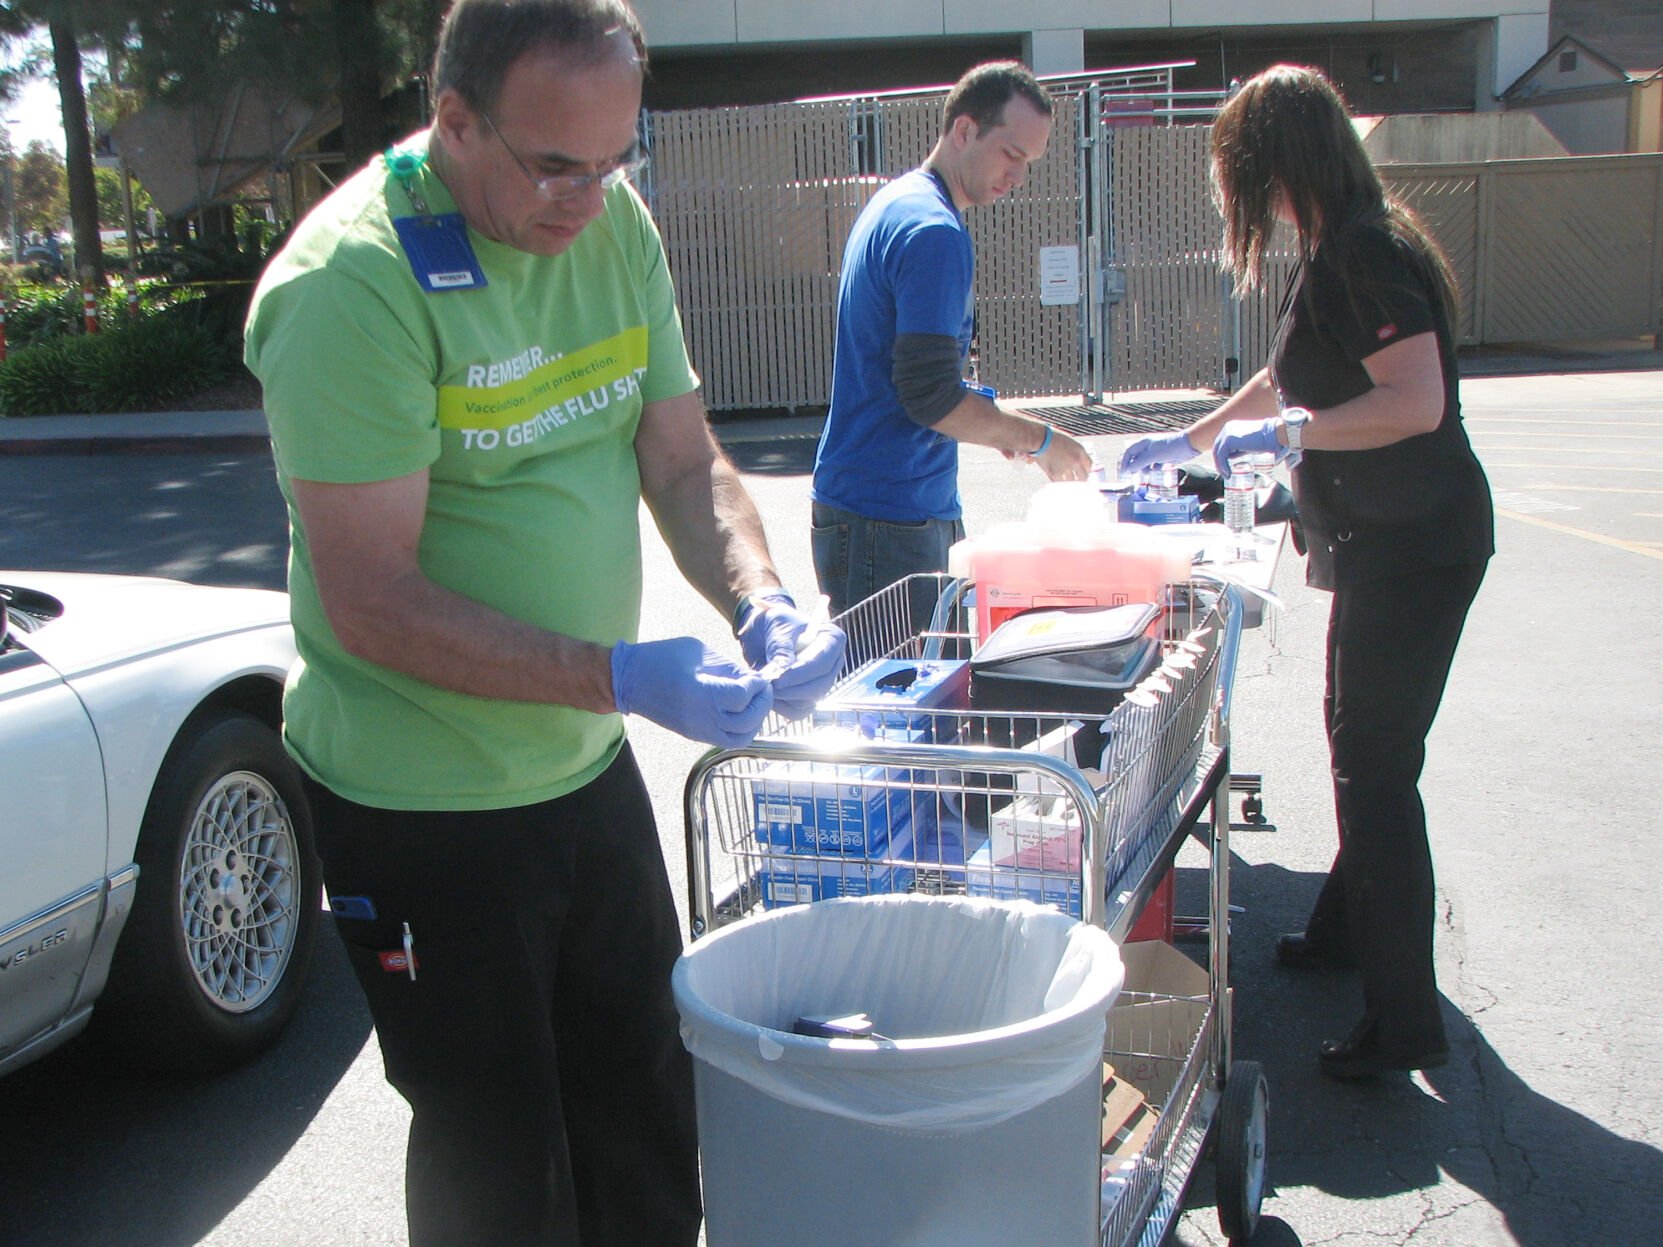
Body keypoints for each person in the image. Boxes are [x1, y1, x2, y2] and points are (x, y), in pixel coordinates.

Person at [243, 2, 844, 1242]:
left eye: (616, 159)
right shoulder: (350, 281)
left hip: (580, 770)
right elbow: (370, 602)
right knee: (500, 1160)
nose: (588, 198)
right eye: (555, 164)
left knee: (643, 1111)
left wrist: (760, 597)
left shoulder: (610, 227)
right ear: (452, 121)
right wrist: (614, 670)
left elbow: (681, 463)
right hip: (423, 807)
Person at [1120, 65, 1493, 1081]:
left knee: (1375, 767)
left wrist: (1293, 432)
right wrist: (1195, 437)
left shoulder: (1364, 248)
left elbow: (1412, 402)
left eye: (1240, 177)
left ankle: (1403, 1020)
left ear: (1277, 165)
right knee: (1357, 743)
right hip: (1391, 543)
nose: (1242, 200)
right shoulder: (1341, 241)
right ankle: (1342, 929)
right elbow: (1288, 370)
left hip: (1418, 548)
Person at [811, 60, 1095, 620]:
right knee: (906, 704)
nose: (1018, 177)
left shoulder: (898, 203)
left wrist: (996, 425)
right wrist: (1043, 440)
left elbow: (923, 383)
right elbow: (931, 398)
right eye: (1012, 155)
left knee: (907, 696)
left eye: (1029, 164)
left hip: (880, 509)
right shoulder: (934, 232)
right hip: (890, 518)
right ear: (964, 130)